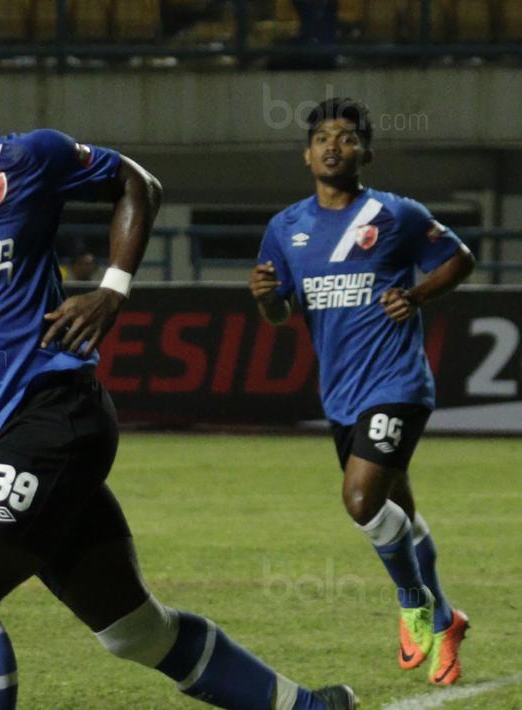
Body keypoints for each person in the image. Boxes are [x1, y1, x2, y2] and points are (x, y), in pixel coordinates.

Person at [0, 41, 356, 710]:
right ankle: (310, 709)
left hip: (55, 414)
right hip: (5, 437)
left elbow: (138, 183)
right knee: (135, 632)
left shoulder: (25, 158)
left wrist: (112, 289)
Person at [250, 98, 474, 686]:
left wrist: (417, 296)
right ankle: (447, 619)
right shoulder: (287, 228)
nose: (333, 146)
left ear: (365, 152)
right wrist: (265, 298)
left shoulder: (394, 213)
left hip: (397, 384)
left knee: (360, 501)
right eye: (322, 137)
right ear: (306, 154)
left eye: (347, 138)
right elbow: (280, 314)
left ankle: (412, 602)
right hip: (342, 395)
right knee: (397, 511)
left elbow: (460, 257)